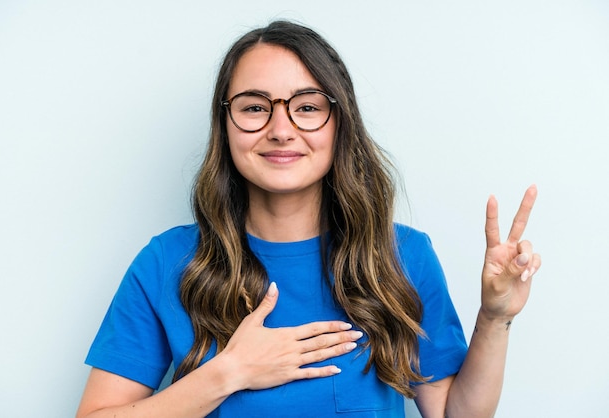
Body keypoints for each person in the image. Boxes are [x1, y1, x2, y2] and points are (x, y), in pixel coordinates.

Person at [76, 20, 541, 418]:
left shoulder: (404, 256)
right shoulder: (166, 262)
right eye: (255, 107)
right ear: (226, 125)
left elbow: (451, 412)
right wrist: (228, 374)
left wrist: (495, 318)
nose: (281, 130)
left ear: (340, 124)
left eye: (308, 107)